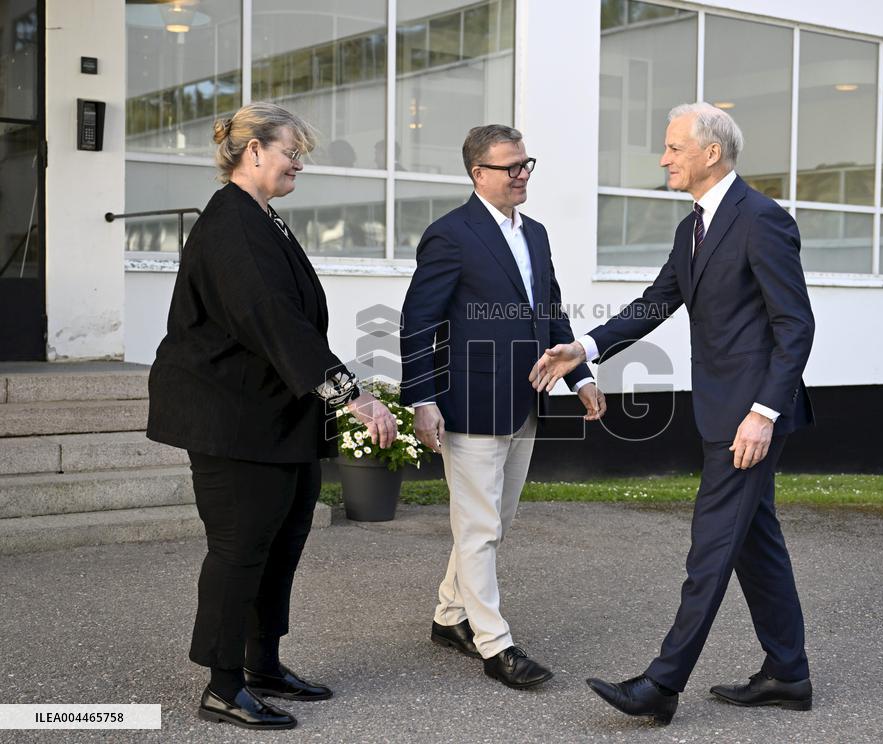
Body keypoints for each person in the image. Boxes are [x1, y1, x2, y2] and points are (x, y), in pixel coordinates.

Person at [530, 103, 816, 723]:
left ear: (710, 153)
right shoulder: (695, 227)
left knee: (711, 547)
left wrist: (763, 413)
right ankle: (788, 674)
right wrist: (587, 347)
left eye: (673, 148)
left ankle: (661, 684)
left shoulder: (761, 220)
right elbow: (657, 302)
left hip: (749, 419)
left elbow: (796, 326)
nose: (664, 159)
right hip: (722, 411)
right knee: (754, 544)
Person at [146, 102, 397, 731]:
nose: (299, 163)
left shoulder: (264, 218)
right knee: (240, 549)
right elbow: (270, 317)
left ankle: (263, 662)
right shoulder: (230, 222)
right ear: (253, 151)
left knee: (283, 541)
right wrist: (350, 394)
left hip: (276, 417)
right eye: (292, 151)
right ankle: (223, 685)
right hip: (232, 419)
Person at [400, 124, 606, 690]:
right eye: (510, 167)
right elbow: (419, 320)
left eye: (525, 164)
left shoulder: (535, 234)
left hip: (528, 400)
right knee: (480, 524)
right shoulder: (450, 235)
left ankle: (449, 617)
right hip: (469, 402)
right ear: (478, 174)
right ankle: (495, 644)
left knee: (494, 522)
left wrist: (581, 376)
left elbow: (553, 312)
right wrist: (422, 399)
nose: (522, 176)